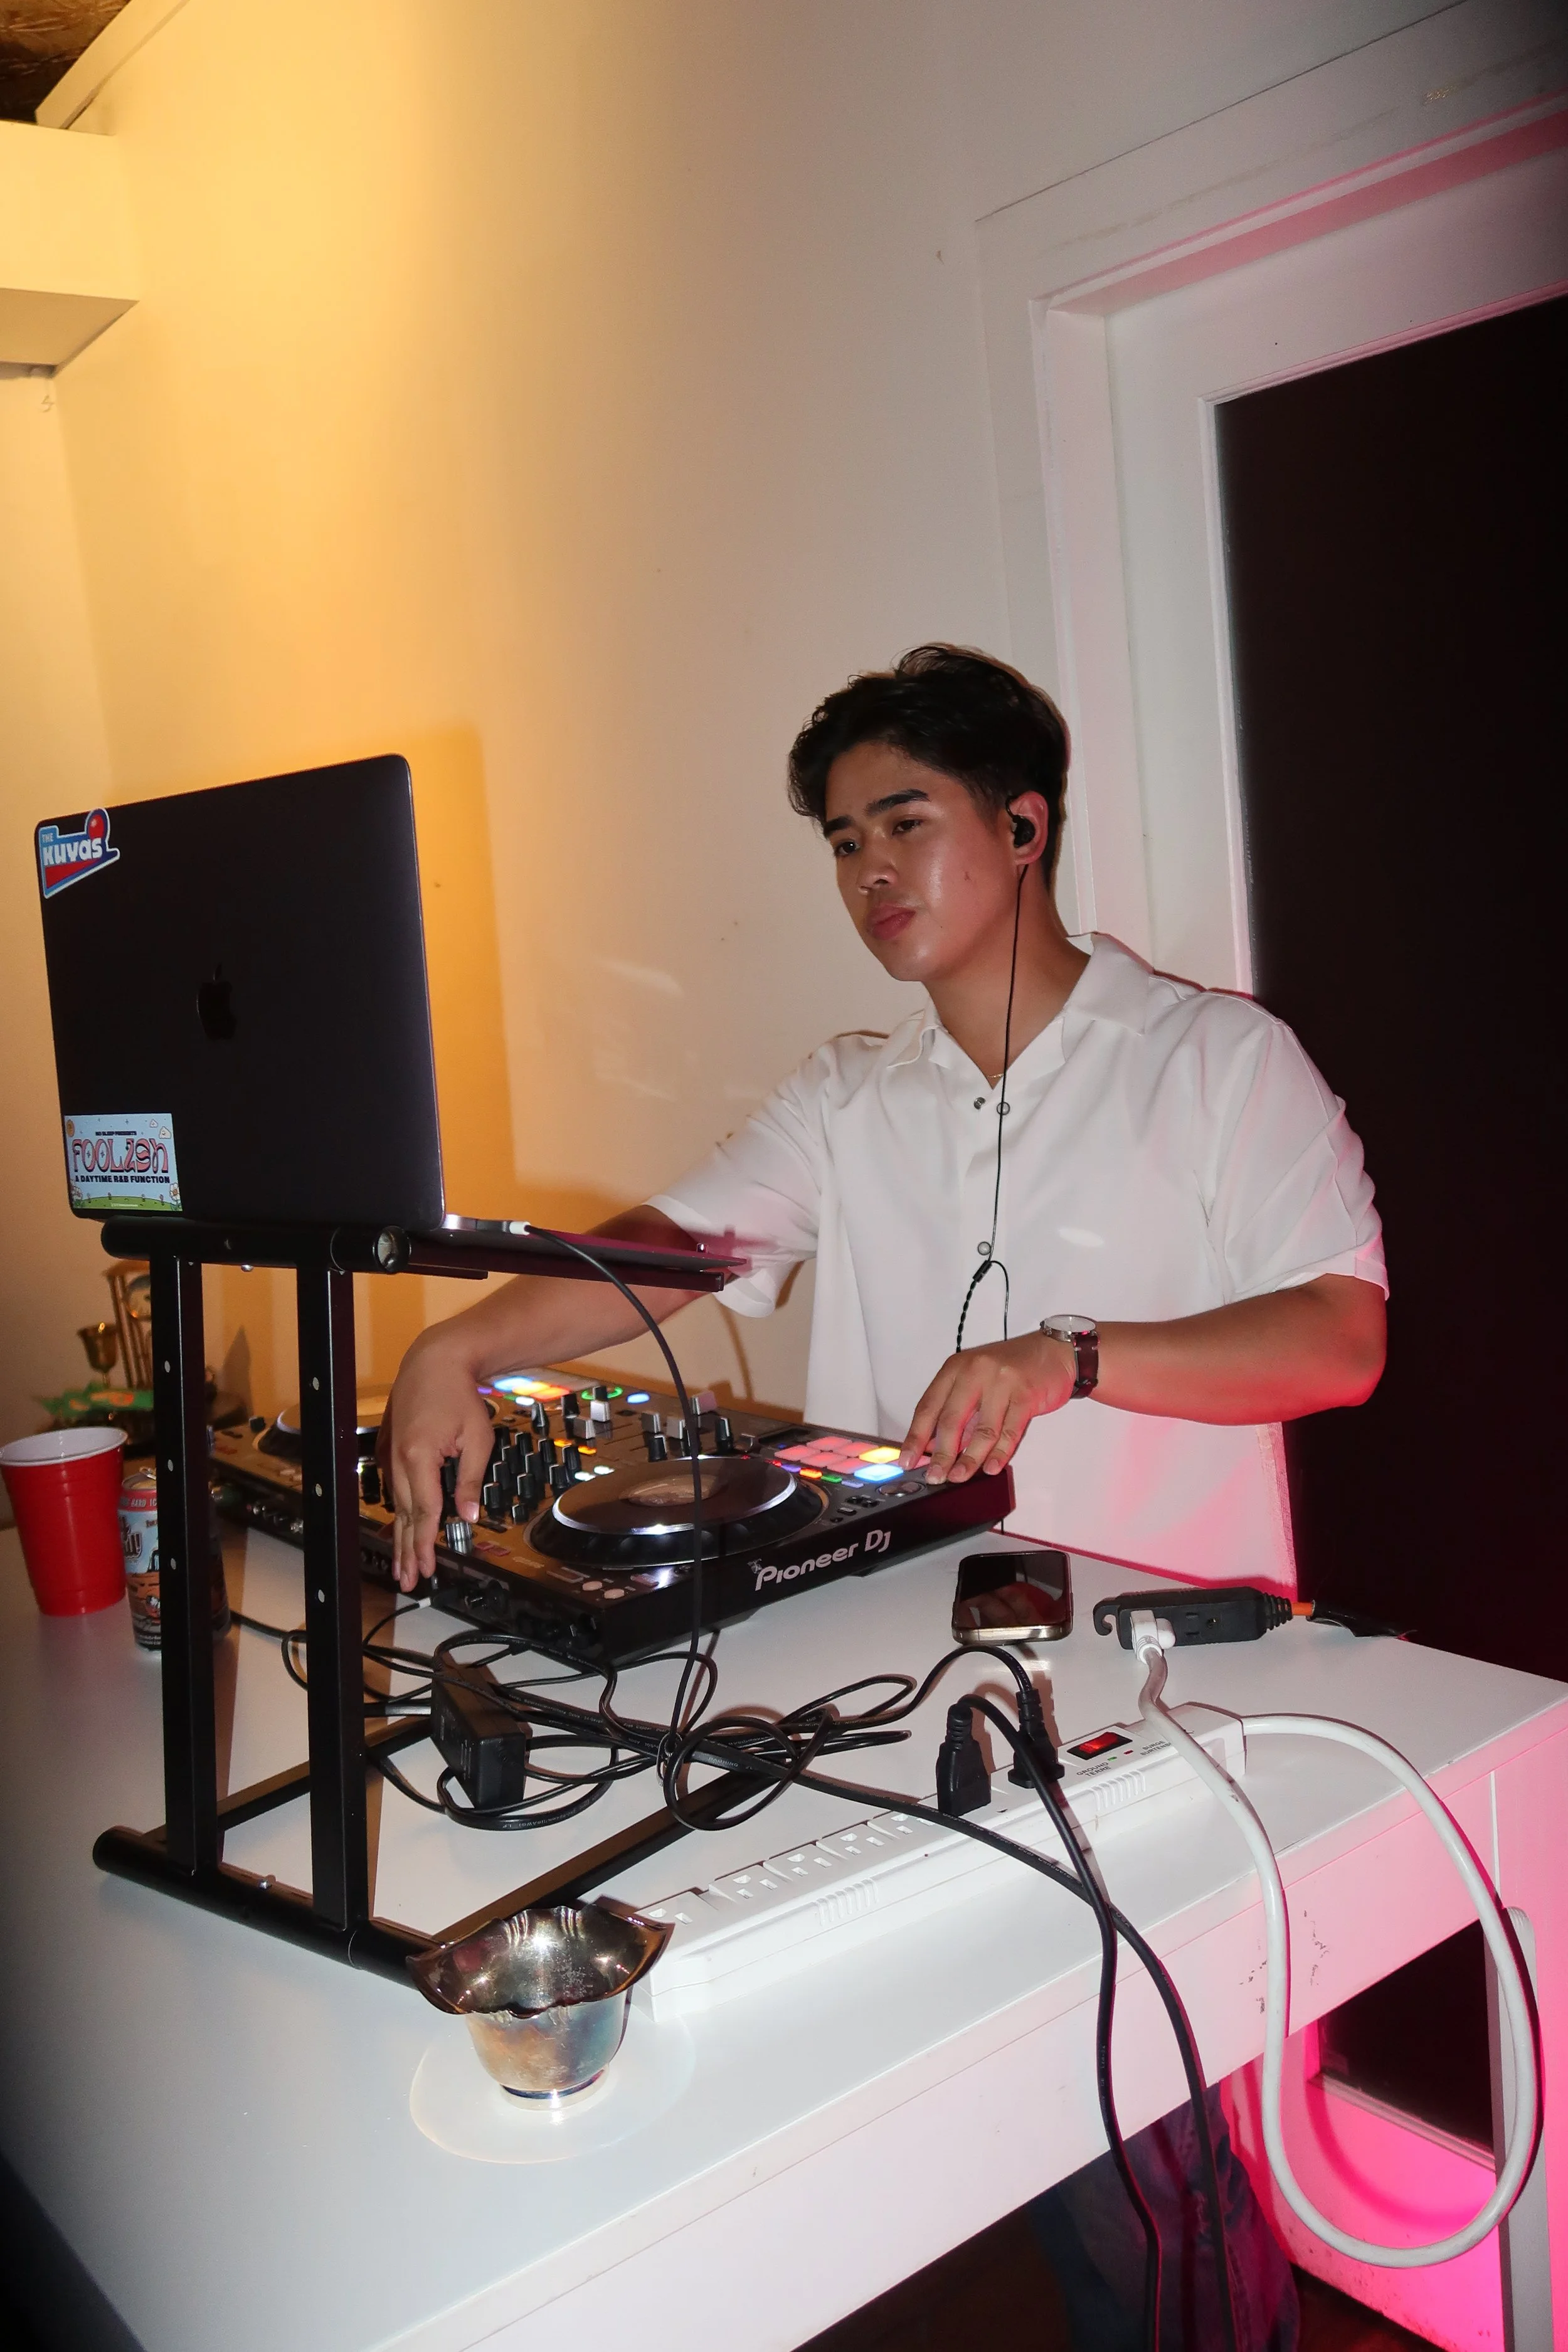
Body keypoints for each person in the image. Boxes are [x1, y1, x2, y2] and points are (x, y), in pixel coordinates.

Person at [384, 644, 1387, 2349]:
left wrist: (1074, 1355)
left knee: (1156, 2179)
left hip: (1161, 1716)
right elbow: (666, 1254)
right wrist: (458, 1342)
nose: (866, 872)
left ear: (1023, 825)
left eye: (904, 822)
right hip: (916, 1705)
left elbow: (1341, 1337)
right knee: (1035, 2149)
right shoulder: (849, 1097)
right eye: (842, 840)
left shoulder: (1214, 1062)